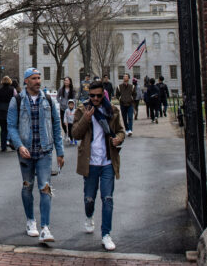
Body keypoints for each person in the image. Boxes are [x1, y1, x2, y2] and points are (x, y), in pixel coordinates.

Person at [7, 67, 65, 243]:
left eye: (39, 78)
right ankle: (30, 220)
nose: (38, 81)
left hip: (44, 151)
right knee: (27, 186)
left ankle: (45, 228)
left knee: (45, 188)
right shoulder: (17, 101)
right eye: (33, 78)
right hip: (26, 153)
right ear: (26, 81)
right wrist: (19, 145)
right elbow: (11, 126)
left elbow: (56, 125)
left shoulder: (48, 100)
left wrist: (60, 152)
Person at [70, 81, 126, 251]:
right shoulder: (82, 110)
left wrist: (119, 138)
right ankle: (89, 215)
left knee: (107, 198)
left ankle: (106, 234)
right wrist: (86, 120)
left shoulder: (112, 111)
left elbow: (121, 131)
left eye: (98, 96)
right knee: (89, 198)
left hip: (108, 161)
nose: (95, 98)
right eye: (92, 95)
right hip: (90, 162)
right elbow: (75, 134)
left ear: (104, 95)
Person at [0, 76, 17, 152]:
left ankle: (3, 147)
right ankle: (11, 142)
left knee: (3, 129)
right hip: (10, 111)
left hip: (1, 112)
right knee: (11, 128)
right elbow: (16, 99)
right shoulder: (13, 90)